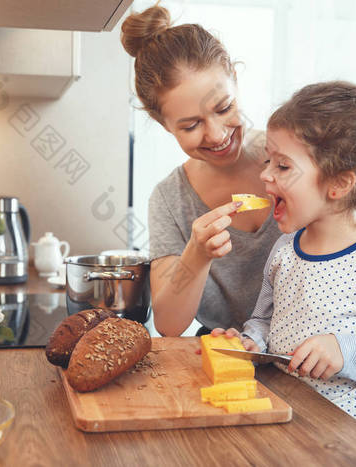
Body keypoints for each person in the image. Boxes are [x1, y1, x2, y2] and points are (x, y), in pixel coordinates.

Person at [217, 81, 356, 461]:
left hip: (354, 446)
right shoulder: (285, 249)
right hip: (293, 433)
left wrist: (345, 350)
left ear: (339, 183)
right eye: (268, 161)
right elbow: (265, 320)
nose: (267, 175)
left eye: (283, 165)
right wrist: (251, 341)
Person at [120, 5, 282, 337]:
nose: (217, 134)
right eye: (191, 125)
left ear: (235, 81)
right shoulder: (170, 199)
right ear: (163, 124)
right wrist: (196, 254)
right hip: (222, 359)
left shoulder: (296, 159)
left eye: (224, 108)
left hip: (311, 359)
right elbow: (168, 325)